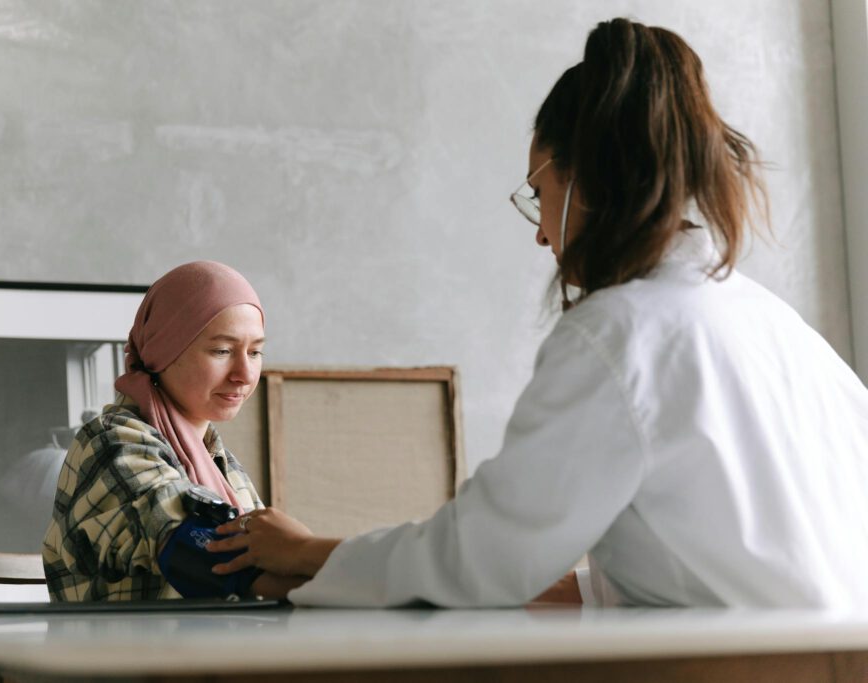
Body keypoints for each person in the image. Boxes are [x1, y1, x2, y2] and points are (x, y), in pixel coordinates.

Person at [204, 18, 868, 608]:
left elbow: (477, 559)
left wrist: (307, 550)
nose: (541, 233)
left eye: (538, 191)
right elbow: (692, 569)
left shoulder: (619, 335)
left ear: (585, 179)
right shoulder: (778, 326)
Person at [42, 261, 305, 600]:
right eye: (222, 351)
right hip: (133, 653)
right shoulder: (111, 441)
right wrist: (330, 570)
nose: (244, 373)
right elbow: (199, 550)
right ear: (163, 349)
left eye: (255, 352)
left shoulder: (221, 464)